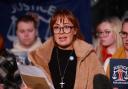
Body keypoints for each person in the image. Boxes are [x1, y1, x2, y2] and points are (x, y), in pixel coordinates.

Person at [28, 9, 104, 89]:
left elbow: (101, 85)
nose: (61, 32)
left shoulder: (89, 56)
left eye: (66, 27)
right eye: (57, 27)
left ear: (75, 30)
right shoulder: (40, 56)